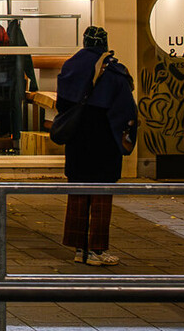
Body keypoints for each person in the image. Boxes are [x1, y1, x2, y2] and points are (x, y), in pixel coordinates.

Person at [52, 26, 138, 266]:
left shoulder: (70, 67)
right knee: (101, 197)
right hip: (104, 141)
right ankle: (97, 251)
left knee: (78, 193)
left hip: (78, 140)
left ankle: (79, 248)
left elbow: (62, 106)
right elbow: (126, 112)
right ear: (104, 43)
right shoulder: (114, 72)